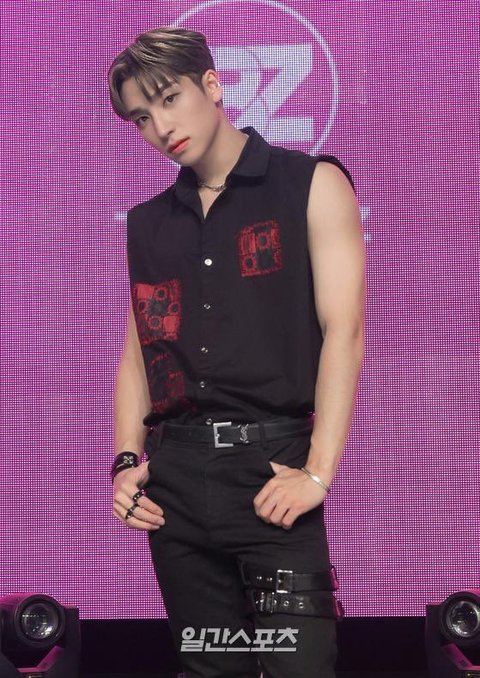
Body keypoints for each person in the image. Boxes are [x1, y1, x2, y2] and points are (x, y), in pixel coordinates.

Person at [108, 26, 365, 678]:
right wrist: (126, 460)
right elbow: (139, 353)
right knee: (209, 669)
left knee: (299, 669)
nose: (161, 127)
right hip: (176, 487)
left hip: (271, 473)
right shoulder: (148, 223)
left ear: (213, 85)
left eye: (169, 99)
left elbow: (345, 331)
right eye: (141, 118)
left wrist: (318, 472)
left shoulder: (310, 183)